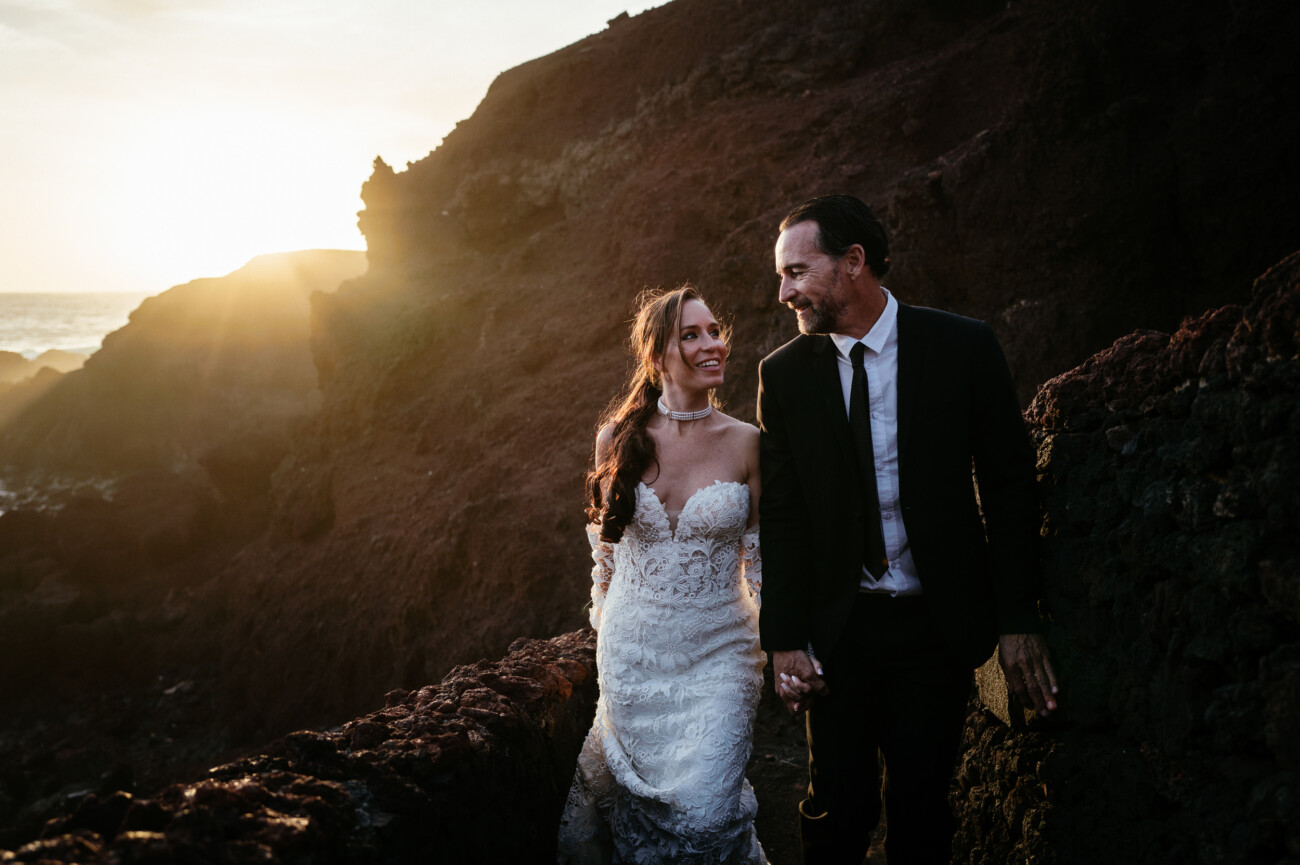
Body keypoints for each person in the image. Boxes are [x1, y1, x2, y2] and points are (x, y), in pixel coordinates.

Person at [757, 195, 1059, 865]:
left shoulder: (963, 347)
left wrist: (1017, 616)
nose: (784, 292)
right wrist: (782, 641)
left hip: (936, 627)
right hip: (840, 630)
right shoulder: (782, 376)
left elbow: (1010, 484)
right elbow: (782, 516)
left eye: (797, 272)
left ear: (854, 263)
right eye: (783, 276)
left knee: (923, 812)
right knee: (836, 808)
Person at [557, 286, 769, 864]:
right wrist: (606, 627)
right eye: (692, 335)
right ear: (655, 357)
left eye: (715, 331)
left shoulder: (748, 443)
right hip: (632, 657)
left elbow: (764, 563)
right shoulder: (616, 441)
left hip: (720, 654)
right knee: (627, 812)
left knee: (705, 814)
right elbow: (605, 557)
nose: (713, 346)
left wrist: (786, 645)